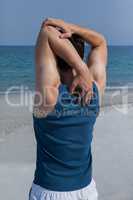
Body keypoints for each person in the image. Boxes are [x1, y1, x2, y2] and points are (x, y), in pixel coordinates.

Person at [29, 18, 107, 200]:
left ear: (53, 57)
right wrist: (72, 29)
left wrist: (82, 70)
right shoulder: (94, 91)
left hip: (49, 191)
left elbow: (47, 31)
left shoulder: (48, 97)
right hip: (86, 191)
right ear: (78, 55)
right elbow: (101, 42)